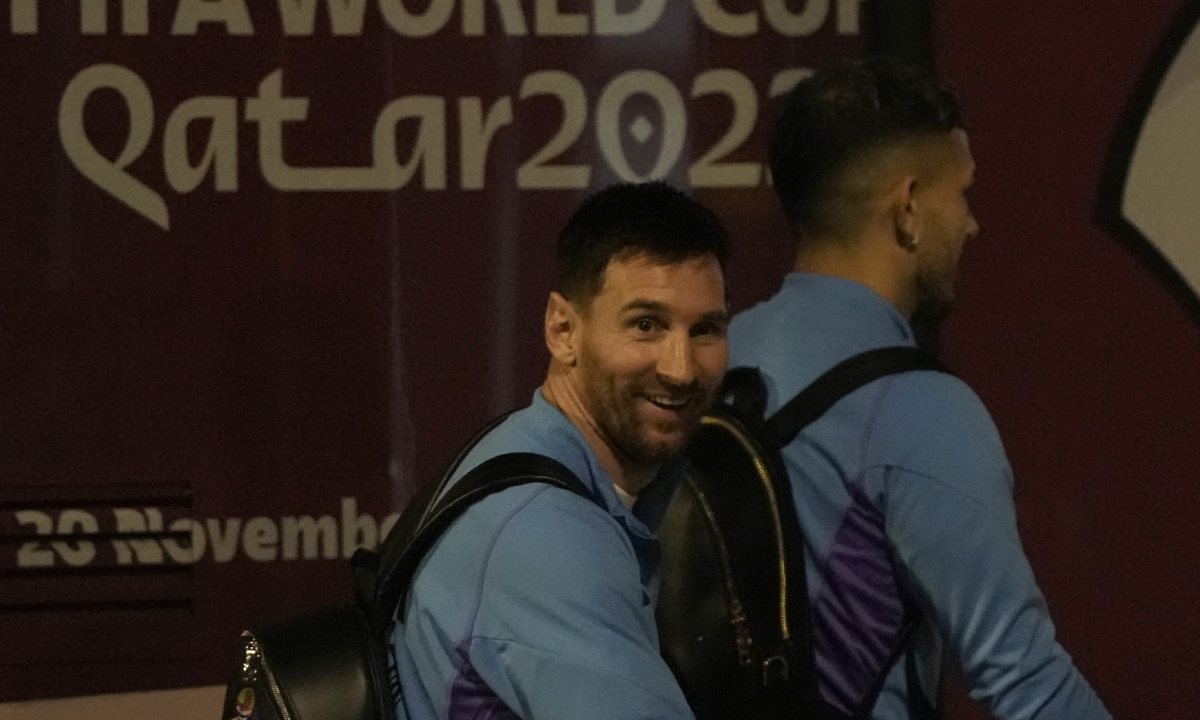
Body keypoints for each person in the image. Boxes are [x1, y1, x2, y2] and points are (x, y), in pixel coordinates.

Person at [727, 58, 1113, 719]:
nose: (971, 224)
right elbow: (1028, 686)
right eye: (961, 194)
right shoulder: (920, 412)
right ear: (907, 209)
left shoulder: (714, 360)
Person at [390, 181, 729, 720]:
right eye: (646, 325)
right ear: (563, 329)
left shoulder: (523, 452)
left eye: (705, 329)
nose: (680, 368)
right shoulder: (545, 536)